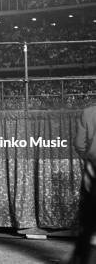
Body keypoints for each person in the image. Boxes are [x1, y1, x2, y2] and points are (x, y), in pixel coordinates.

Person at [71, 104, 96, 263]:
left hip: (94, 165)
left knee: (91, 216)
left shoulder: (88, 112)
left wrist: (88, 159)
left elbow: (79, 144)